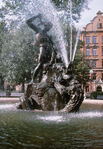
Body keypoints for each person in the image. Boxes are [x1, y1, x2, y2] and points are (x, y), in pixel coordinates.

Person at [26, 14, 54, 83]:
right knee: (40, 64)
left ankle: (48, 80)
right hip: (43, 48)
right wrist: (36, 16)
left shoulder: (49, 35)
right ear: (45, 26)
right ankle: (33, 80)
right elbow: (28, 22)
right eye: (48, 26)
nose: (49, 28)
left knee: (51, 64)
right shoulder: (38, 30)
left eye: (50, 27)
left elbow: (53, 44)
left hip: (50, 50)